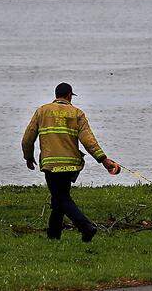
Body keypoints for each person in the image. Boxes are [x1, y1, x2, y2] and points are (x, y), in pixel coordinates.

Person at [21, 82, 120, 241]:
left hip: (51, 165)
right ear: (69, 96)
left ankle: (86, 227)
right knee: (59, 199)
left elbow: (27, 139)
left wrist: (28, 156)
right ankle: (53, 236)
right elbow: (89, 141)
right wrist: (104, 160)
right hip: (71, 165)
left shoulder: (42, 111)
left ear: (56, 95)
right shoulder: (76, 113)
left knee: (61, 198)